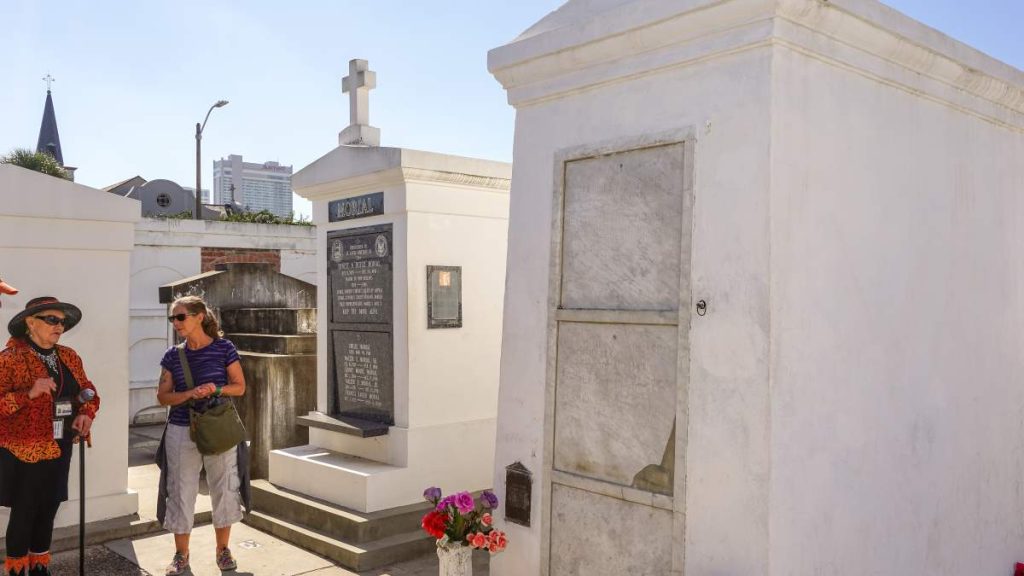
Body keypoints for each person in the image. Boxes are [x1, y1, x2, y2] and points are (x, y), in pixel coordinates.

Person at [0, 297, 99, 576]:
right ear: (31, 323)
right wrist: (28, 394)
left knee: (49, 506)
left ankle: (40, 568)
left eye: (62, 322)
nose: (59, 326)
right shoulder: (10, 359)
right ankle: (17, 570)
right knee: (25, 509)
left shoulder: (68, 356)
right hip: (25, 448)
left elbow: (89, 390)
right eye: (52, 320)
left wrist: (86, 413)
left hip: (61, 442)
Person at [155, 296, 249, 575]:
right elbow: (163, 396)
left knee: (224, 487)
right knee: (180, 491)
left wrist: (215, 389)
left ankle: (223, 550)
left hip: (218, 427)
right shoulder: (173, 355)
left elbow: (239, 386)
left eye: (180, 317)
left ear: (199, 317)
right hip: (181, 428)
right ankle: (181, 555)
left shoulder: (224, 348)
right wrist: (189, 394)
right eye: (172, 318)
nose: (175, 323)